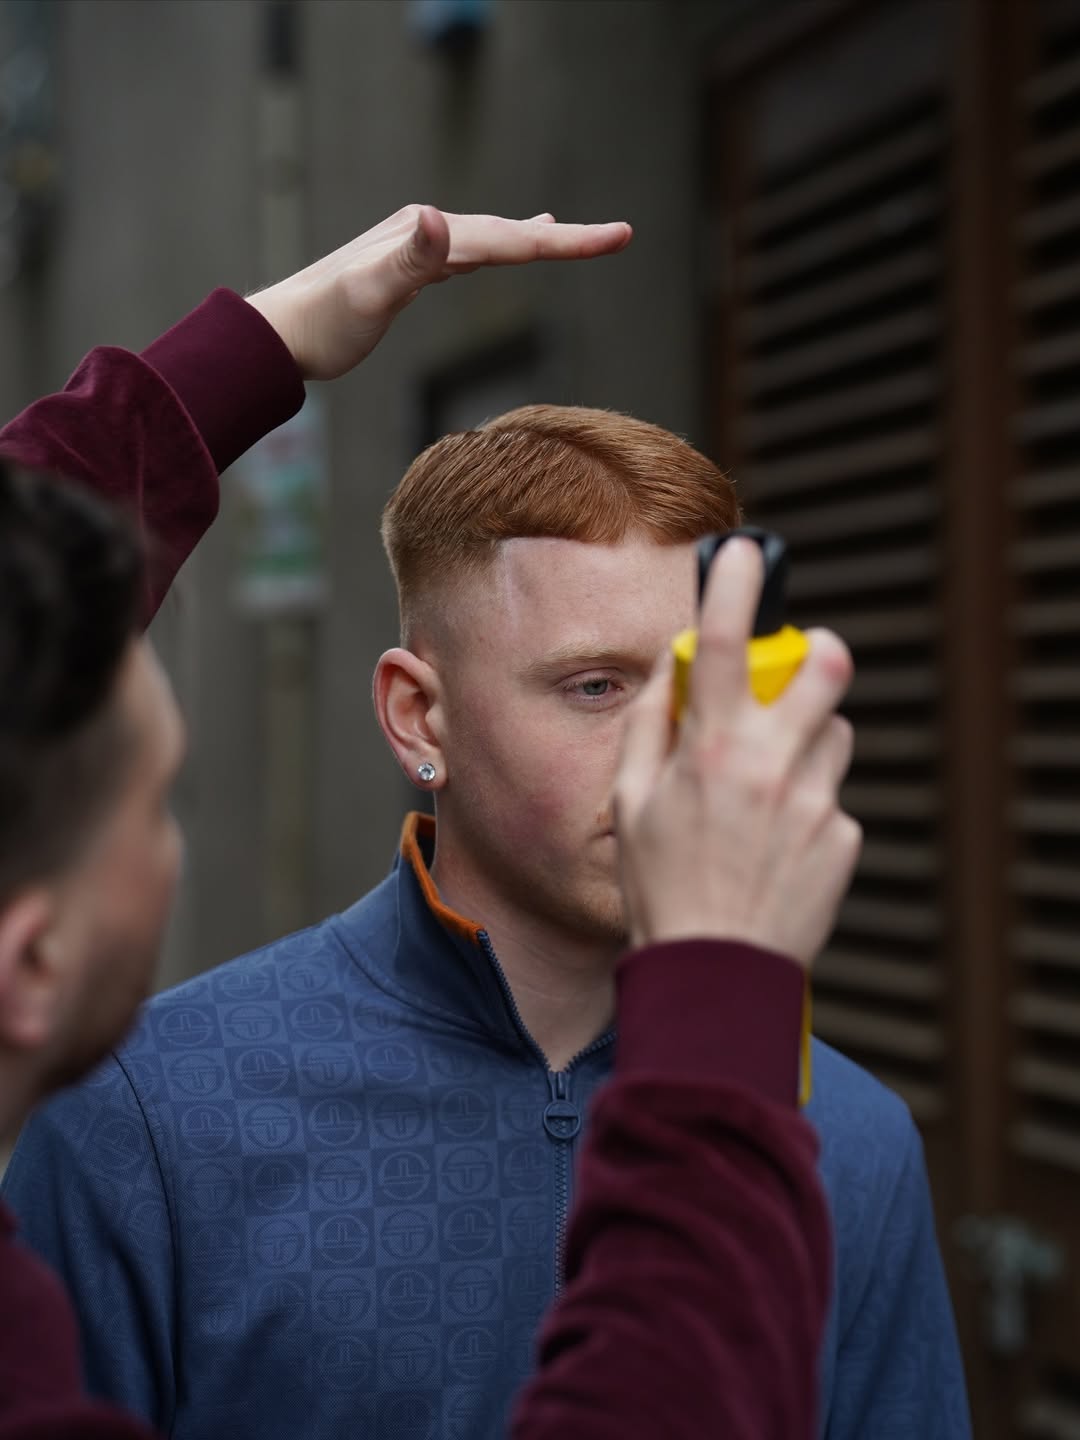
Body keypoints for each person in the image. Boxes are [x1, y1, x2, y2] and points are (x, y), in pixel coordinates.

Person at [2, 206, 969, 1440]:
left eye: (697, 685)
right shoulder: (146, 1114)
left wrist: (247, 354)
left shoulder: (852, 1144)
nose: (672, 753)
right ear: (420, 717)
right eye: (596, 688)